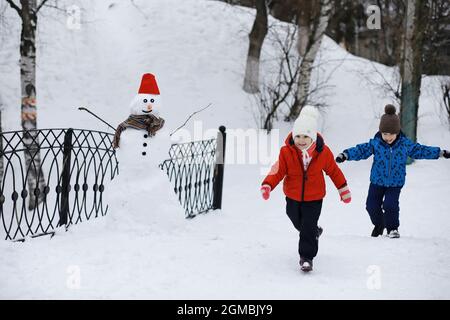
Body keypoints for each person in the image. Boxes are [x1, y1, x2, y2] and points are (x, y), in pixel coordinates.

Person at [336, 104, 450, 238]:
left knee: (390, 205)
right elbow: (361, 150)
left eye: (391, 134)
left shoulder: (404, 144)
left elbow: (420, 150)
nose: (388, 137)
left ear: (397, 132)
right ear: (381, 132)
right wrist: (346, 155)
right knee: (371, 206)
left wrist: (440, 153)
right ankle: (380, 224)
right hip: (377, 181)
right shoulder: (376, 143)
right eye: (385, 134)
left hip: (395, 183)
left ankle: (392, 229)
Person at [260, 106, 351, 272]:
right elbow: (277, 170)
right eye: (298, 136)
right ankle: (314, 231)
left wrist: (343, 188)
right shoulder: (286, 152)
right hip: (292, 195)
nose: (301, 140)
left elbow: (333, 171)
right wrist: (268, 184)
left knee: (307, 225)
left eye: (306, 136)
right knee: (295, 218)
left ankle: (306, 257)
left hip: (314, 197)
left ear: (313, 138)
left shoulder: (323, 153)